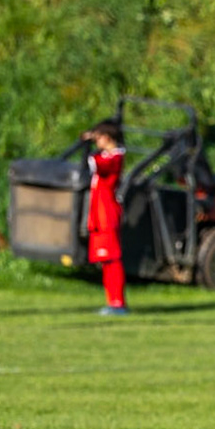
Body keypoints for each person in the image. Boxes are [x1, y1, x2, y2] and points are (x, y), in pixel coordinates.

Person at [83, 121, 128, 317]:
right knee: (106, 261)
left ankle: (118, 302)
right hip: (99, 215)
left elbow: (96, 164)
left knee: (113, 259)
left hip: (107, 214)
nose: (96, 141)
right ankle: (112, 301)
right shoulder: (105, 156)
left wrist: (86, 145)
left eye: (99, 137)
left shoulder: (115, 158)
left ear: (107, 137)